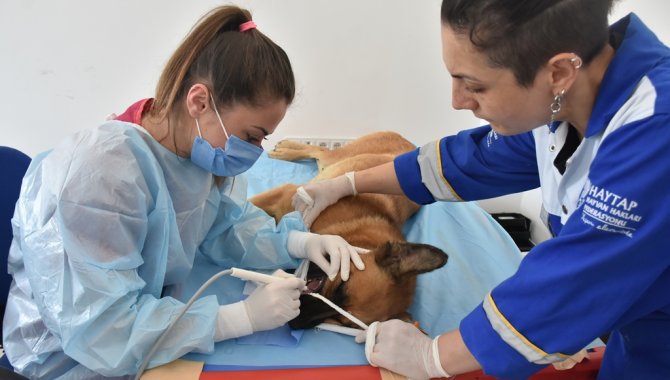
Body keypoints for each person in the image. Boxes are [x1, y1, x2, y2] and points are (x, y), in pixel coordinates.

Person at [292, 0, 670, 379]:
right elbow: (471, 161)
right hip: (639, 334)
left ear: (558, 72)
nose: (457, 101)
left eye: (474, 85)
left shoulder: (657, 131)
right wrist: (347, 183)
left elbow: (577, 281)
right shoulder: (566, 103)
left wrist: (433, 356)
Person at [2, 5, 366, 379]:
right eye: (252, 136)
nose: (256, 151)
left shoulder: (195, 154)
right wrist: (238, 318)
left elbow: (224, 226)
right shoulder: (102, 175)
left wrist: (298, 243)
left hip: (137, 324)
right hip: (65, 357)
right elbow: (101, 331)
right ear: (199, 102)